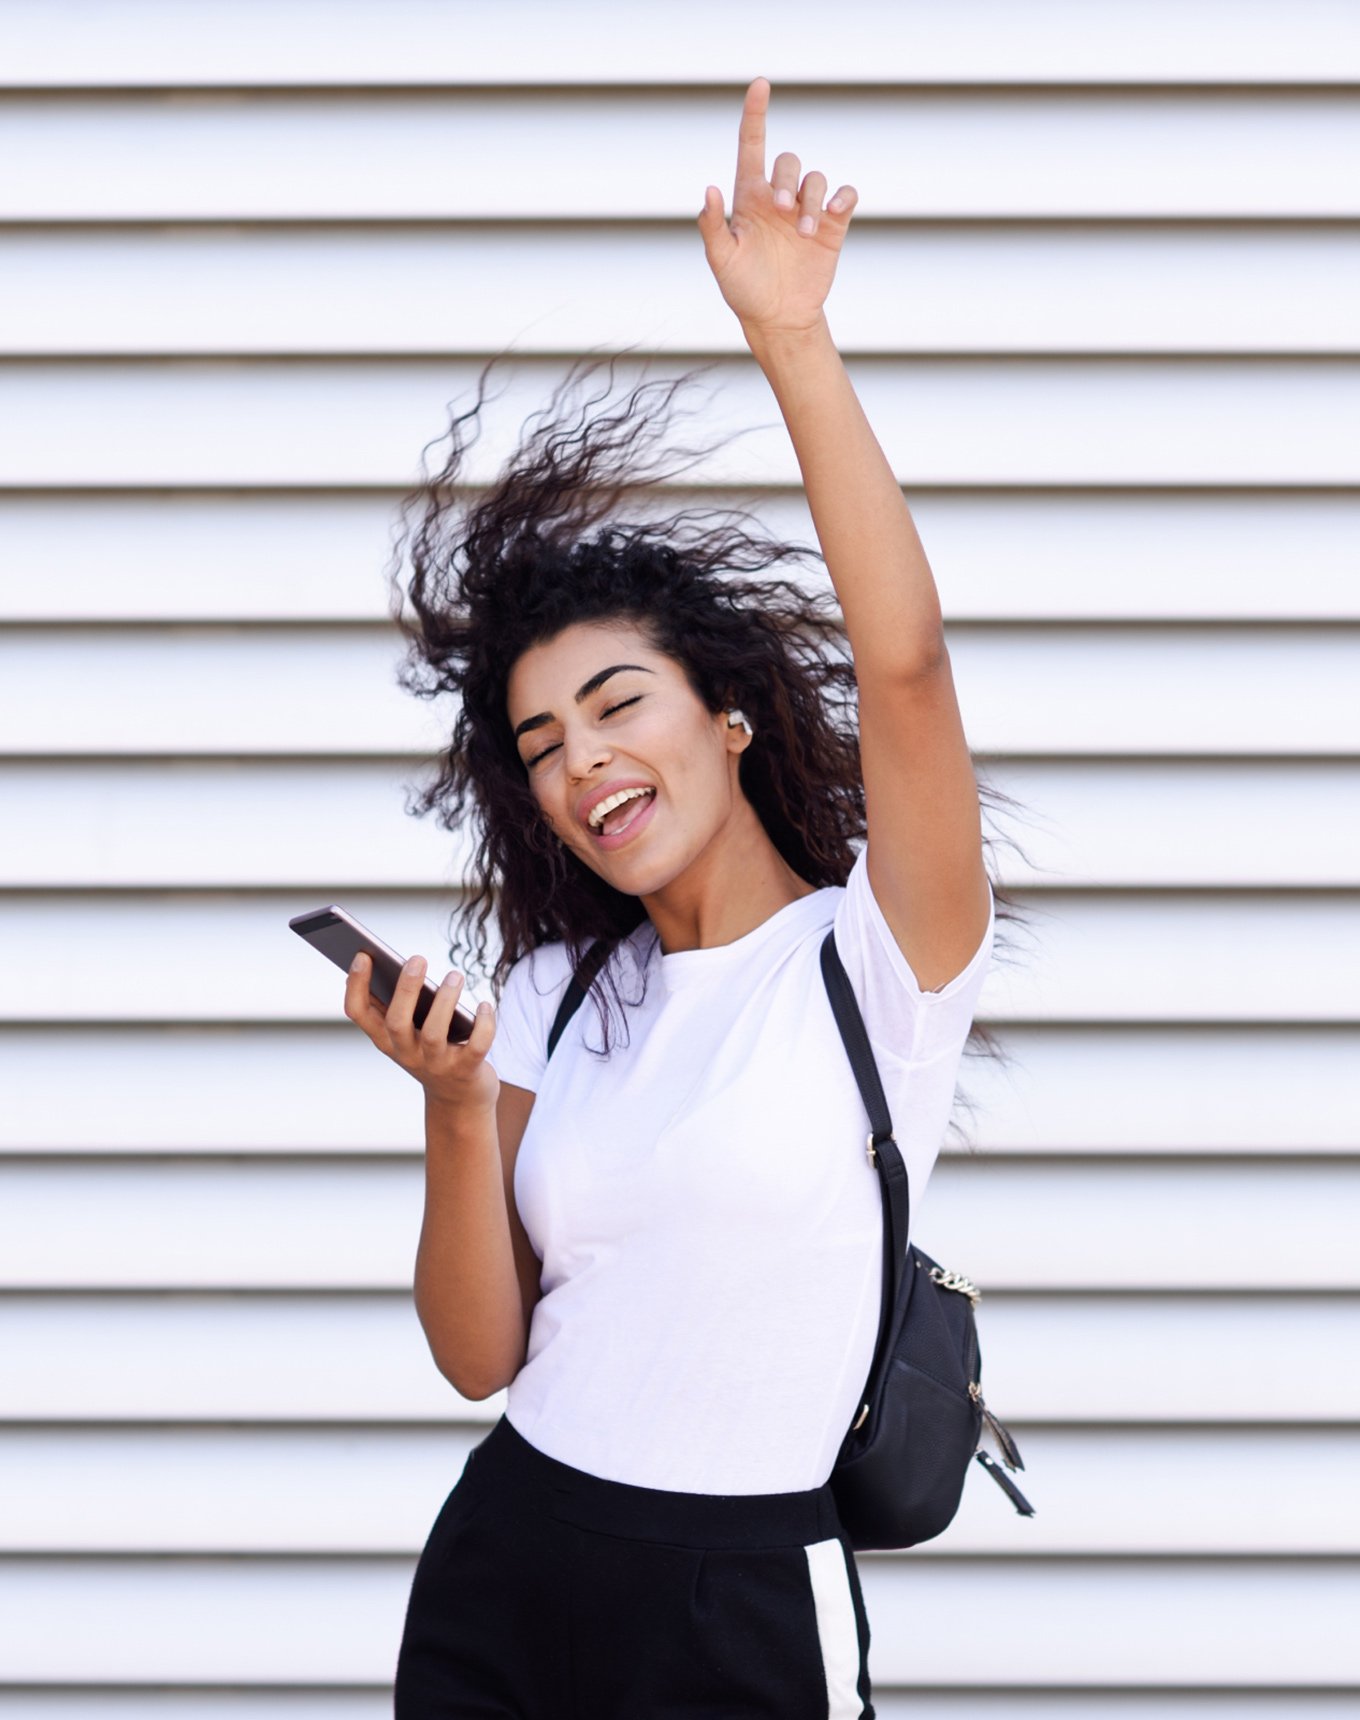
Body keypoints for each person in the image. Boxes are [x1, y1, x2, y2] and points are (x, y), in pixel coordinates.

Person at [346, 75, 1019, 1720]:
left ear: (722, 714)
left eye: (618, 703)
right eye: (543, 743)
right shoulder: (567, 991)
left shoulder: (882, 958)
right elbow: (479, 1360)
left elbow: (910, 669)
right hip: (510, 1555)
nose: (585, 762)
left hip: (734, 1605)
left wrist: (793, 339)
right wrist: (449, 1107)